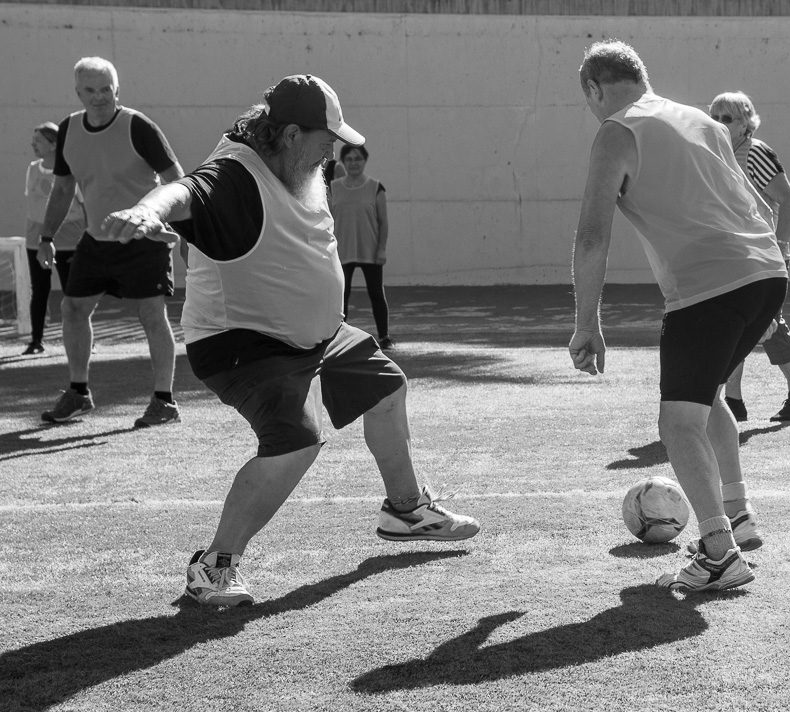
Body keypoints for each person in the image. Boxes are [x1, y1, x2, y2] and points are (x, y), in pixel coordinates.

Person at [102, 74, 480, 608]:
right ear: (290, 135)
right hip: (245, 342)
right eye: (328, 137)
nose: (338, 148)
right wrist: (149, 210)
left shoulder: (303, 163)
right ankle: (214, 566)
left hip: (317, 334)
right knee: (296, 441)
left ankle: (405, 511)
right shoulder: (236, 174)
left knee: (386, 388)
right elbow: (185, 189)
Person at [570, 41, 787, 592]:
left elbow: (593, 235)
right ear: (642, 76)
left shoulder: (617, 132)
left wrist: (587, 323)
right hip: (766, 273)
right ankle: (736, 514)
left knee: (677, 423)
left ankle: (718, 551)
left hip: (708, 287)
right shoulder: (702, 121)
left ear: (595, 89)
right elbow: (758, 207)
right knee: (706, 397)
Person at [37, 57, 184, 428]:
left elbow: (176, 180)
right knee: (72, 309)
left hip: (143, 237)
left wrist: (173, 230)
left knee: (151, 315)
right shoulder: (69, 128)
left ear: (117, 90)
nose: (99, 97)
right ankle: (79, 393)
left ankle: (164, 401)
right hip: (97, 239)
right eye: (90, 90)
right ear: (78, 93)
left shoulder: (139, 127)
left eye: (106, 89)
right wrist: (46, 237)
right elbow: (63, 188)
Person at [709, 91, 790, 423]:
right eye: (715, 117)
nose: (720, 124)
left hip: (763, 253)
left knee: (769, 324)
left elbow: (789, 200)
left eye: (728, 118)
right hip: (736, 252)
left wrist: (780, 245)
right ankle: (734, 401)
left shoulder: (755, 152)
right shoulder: (721, 151)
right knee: (735, 324)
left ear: (746, 123)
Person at [22, 122, 87, 355]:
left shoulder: (71, 170)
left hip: (70, 240)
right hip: (37, 241)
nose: (33, 145)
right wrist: (40, 236)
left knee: (74, 292)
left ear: (53, 144)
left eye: (38, 140)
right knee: (39, 290)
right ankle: (36, 340)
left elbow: (83, 204)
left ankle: (81, 338)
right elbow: (34, 205)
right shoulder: (32, 169)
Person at [329, 144, 393, 349]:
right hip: (342, 251)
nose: (354, 163)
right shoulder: (333, 187)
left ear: (365, 161)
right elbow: (326, 220)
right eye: (349, 159)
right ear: (343, 162)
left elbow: (383, 222)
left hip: (370, 251)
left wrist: (381, 249)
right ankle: (339, 340)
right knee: (341, 296)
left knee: (376, 294)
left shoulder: (376, 187)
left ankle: (384, 337)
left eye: (358, 159)